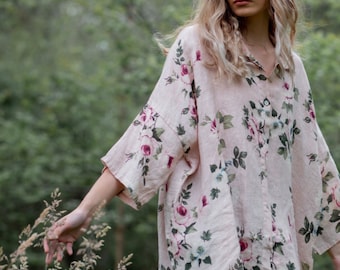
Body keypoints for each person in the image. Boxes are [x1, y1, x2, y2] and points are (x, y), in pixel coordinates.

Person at [43, 0, 340, 269]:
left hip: (275, 249)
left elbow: (312, 156)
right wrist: (85, 211)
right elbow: (154, 133)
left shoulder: (291, 69)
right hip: (210, 241)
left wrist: (337, 247)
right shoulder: (199, 48)